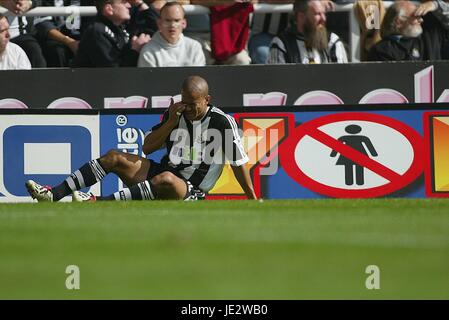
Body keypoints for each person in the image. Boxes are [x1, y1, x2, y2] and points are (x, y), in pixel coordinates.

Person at [25, 76, 257, 202]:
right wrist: (170, 123)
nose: (187, 107)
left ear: (207, 99)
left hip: (191, 189)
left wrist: (252, 199)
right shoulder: (175, 113)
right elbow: (148, 147)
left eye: (193, 103)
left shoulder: (221, 122)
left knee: (165, 178)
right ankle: (53, 194)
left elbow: (238, 163)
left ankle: (97, 202)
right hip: (162, 172)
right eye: (184, 101)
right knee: (114, 157)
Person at [72, 0, 150, 67]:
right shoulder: (97, 32)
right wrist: (135, 51)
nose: (129, 6)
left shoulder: (120, 28)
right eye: (123, 2)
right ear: (109, 9)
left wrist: (141, 4)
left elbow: (155, 28)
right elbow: (112, 72)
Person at [267, 0, 348, 64]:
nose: (323, 19)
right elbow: (277, 80)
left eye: (324, 13)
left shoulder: (332, 41)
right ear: (301, 16)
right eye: (317, 14)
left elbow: (341, 77)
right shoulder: (281, 44)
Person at [368, 0, 449, 62]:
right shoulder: (382, 50)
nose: (421, 20)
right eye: (416, 16)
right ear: (399, 22)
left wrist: (436, 4)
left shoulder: (429, 34)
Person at [137, 1, 205, 67]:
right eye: (168, 20)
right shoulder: (148, 51)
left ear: (184, 23)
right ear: (159, 23)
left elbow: (198, 77)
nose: (172, 25)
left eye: (176, 20)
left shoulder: (194, 47)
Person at [34, 0, 81, 67]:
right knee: (57, 50)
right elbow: (44, 24)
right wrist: (69, 42)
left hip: (84, 37)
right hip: (58, 38)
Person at [0, 0, 47, 67]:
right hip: (9, 35)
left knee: (35, 49)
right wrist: (2, 2)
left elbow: (41, 2)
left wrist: (29, 3)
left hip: (23, 35)